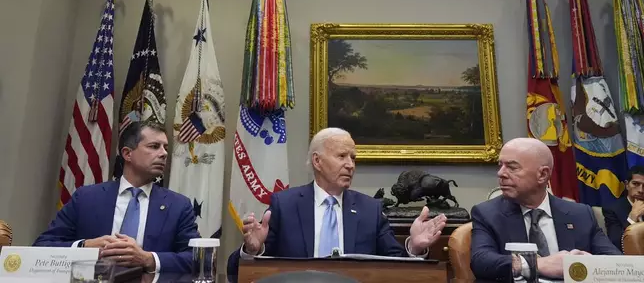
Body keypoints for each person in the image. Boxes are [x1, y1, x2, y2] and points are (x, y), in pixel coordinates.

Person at [227, 128, 447, 282]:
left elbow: (395, 267)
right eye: (342, 156)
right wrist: (252, 250)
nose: (350, 165)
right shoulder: (285, 205)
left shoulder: (370, 209)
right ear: (317, 161)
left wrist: (415, 248)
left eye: (353, 158)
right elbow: (236, 273)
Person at [34, 121, 200, 273]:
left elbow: (198, 259)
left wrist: (148, 259)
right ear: (127, 154)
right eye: (154, 146)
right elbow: (42, 246)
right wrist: (85, 245)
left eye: (165, 148)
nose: (163, 154)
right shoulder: (86, 198)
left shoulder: (178, 205)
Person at [470, 137, 620, 281]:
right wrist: (537, 264)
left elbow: (615, 261)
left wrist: (590, 262)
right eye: (500, 165)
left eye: (512, 167)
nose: (501, 173)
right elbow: (481, 261)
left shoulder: (580, 214)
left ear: (542, 174)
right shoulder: (487, 213)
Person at [602, 165, 644, 250]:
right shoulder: (612, 209)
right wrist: (632, 218)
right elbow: (616, 244)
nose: (641, 190)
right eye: (636, 184)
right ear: (627, 185)